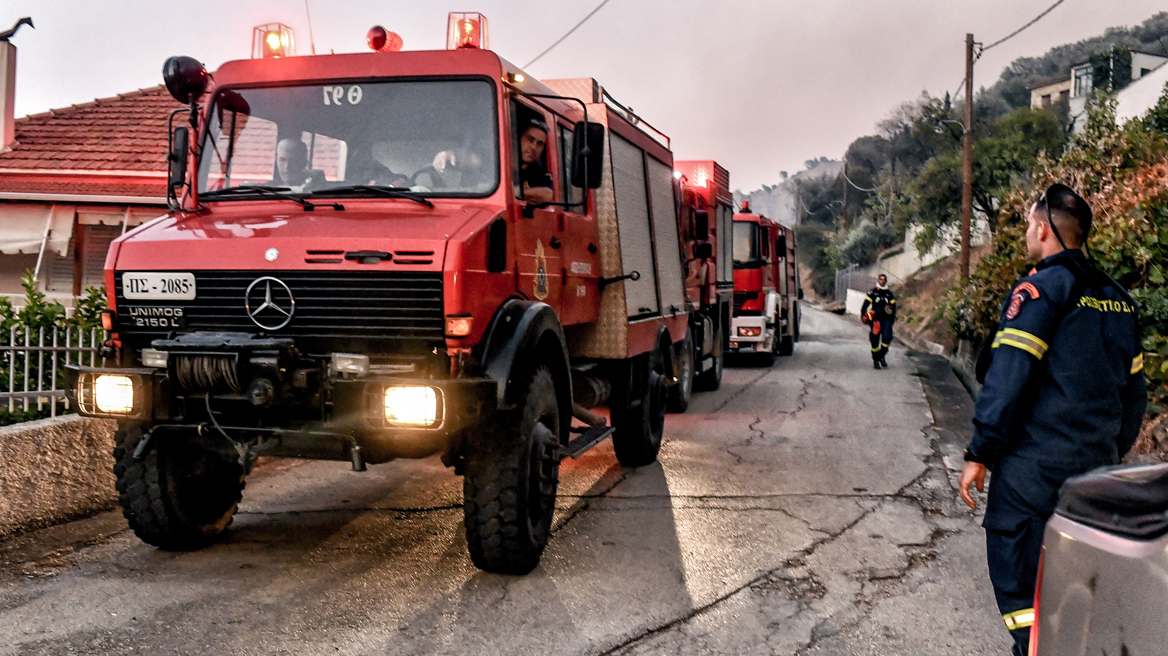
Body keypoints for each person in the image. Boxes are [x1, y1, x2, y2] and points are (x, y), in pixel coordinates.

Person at [957, 184, 1146, 656]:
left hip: (1033, 476)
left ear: (1042, 229)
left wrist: (980, 453)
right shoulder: (1121, 300)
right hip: (1096, 477)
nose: (1027, 232)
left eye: (1028, 224)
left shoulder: (1039, 291)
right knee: (1079, 588)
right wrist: (1108, 452)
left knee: (1021, 586)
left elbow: (1008, 378)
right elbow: (1134, 397)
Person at [860, 274, 896, 369]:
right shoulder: (873, 292)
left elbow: (894, 308)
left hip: (887, 320)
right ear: (878, 280)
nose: (882, 281)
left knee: (887, 338)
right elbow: (865, 305)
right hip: (876, 321)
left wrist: (892, 320)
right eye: (881, 279)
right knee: (874, 341)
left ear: (886, 281)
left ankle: (881, 356)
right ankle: (876, 360)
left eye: (884, 280)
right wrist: (863, 315)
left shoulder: (889, 294)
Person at [517, 118, 553, 203]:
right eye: (530, 140)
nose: (533, 147)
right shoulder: (501, 165)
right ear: (519, 139)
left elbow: (547, 195)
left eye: (539, 144)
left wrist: (515, 191)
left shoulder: (540, 174)